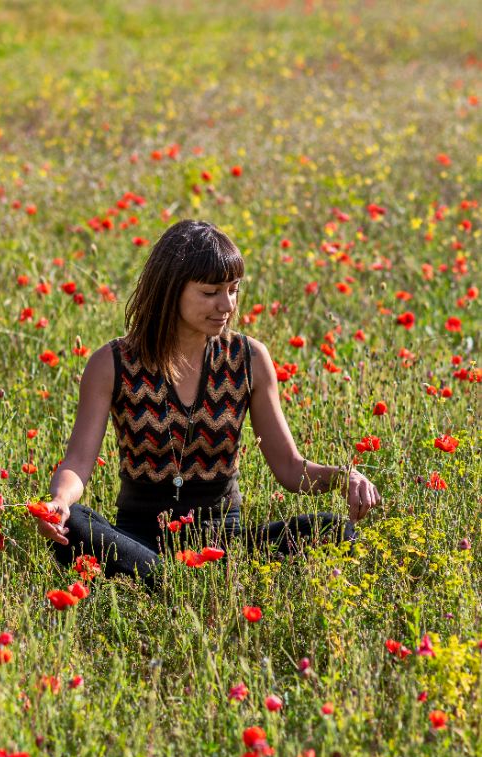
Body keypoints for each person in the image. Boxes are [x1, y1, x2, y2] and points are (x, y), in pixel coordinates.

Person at [35, 220, 381, 584]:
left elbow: (291, 469)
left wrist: (344, 478)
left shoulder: (248, 358)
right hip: (139, 542)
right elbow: (77, 463)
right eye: (210, 292)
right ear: (170, 290)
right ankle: (180, 580)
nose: (226, 304)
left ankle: (175, 582)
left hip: (226, 545)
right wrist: (59, 502)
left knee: (334, 531)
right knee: (73, 524)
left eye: (233, 290)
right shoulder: (112, 363)